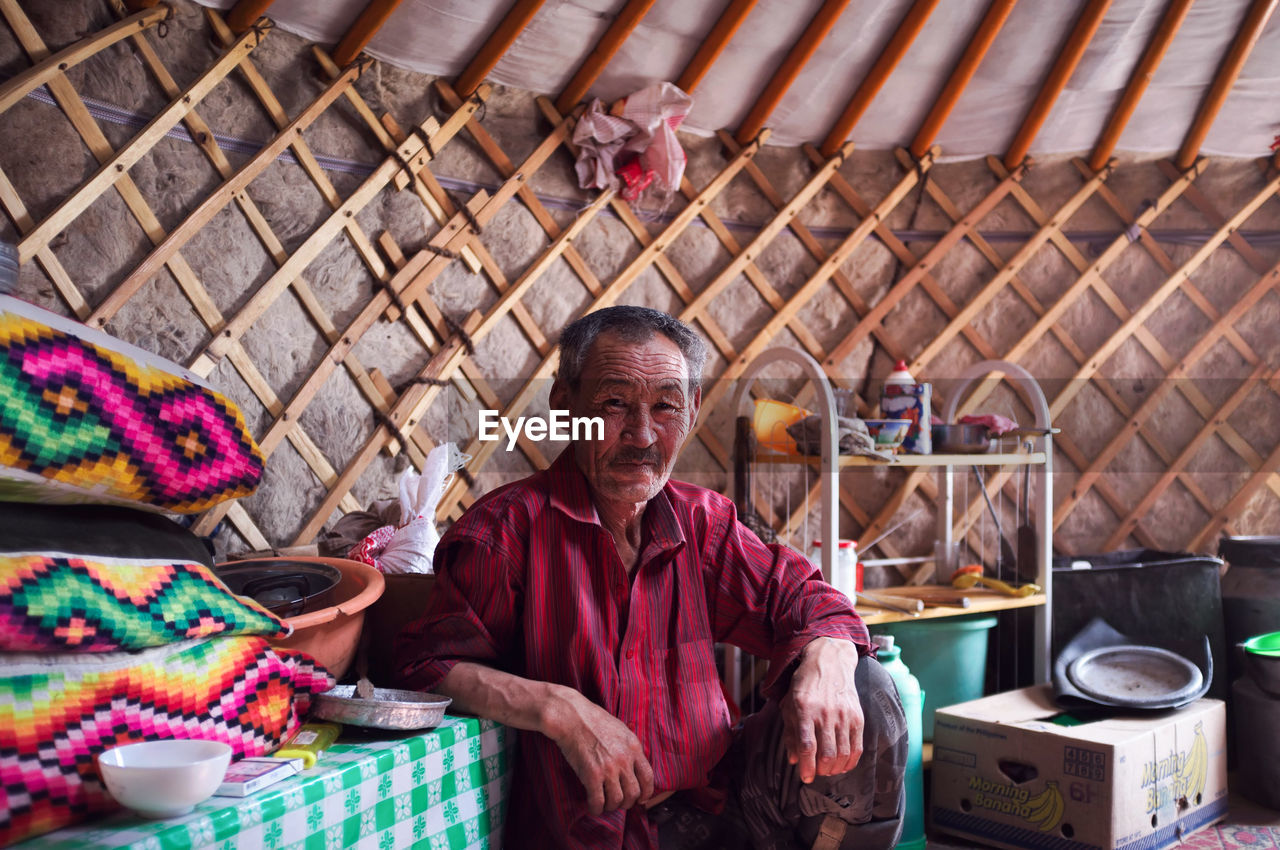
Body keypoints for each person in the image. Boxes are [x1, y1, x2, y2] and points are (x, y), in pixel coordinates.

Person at [395, 306, 906, 849]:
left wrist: (828, 657)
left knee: (869, 688)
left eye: (665, 405)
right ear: (564, 402)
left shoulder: (701, 522)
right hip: (595, 827)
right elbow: (426, 668)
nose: (642, 435)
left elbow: (807, 598)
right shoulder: (503, 532)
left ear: (692, 408)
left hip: (726, 798)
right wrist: (561, 710)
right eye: (614, 404)